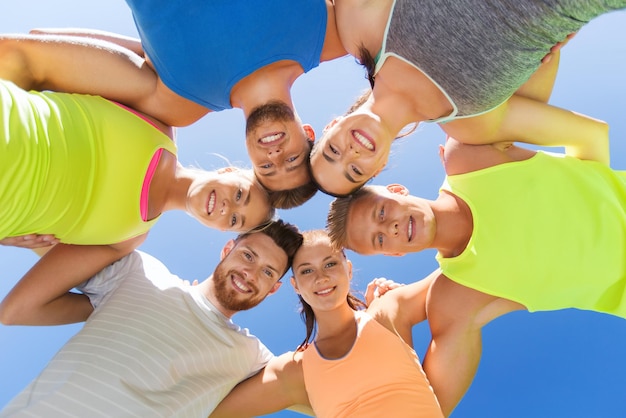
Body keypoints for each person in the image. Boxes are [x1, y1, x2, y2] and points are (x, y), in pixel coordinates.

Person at [325, 98, 625, 414]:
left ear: (398, 190)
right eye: (380, 239)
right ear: (395, 253)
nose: (393, 227)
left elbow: (590, 134)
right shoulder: (454, 300)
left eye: (381, 212)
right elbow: (426, 410)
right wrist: (389, 314)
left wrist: (597, 189)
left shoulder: (470, 156)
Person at [0, 0, 349, 205]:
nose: (275, 157)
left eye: (267, 169)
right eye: (292, 159)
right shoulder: (332, 34)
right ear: (307, 132)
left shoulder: (180, 105)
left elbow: (33, 57)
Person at [0, 71, 275, 324]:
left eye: (236, 220)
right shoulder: (156, 117)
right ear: (230, 171)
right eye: (240, 194)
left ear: (221, 230)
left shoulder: (124, 240)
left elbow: (17, 311)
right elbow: (32, 59)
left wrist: (137, 303)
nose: (229, 207)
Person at [310, 0, 626, 196]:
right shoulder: (473, 126)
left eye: (333, 151)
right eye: (355, 170)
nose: (350, 153)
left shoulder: (359, 26)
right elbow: (591, 135)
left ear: (332, 125)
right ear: (378, 167)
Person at [0, 220, 303, 417]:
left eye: (267, 271)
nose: (251, 273)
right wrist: (104, 301)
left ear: (274, 288)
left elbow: (326, 392)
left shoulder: (250, 356)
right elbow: (22, 299)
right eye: (248, 255)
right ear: (227, 249)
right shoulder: (140, 272)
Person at [209, 230, 444, 418]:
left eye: (330, 264)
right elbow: (206, 409)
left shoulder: (387, 312)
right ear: (296, 286)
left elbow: (462, 274)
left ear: (348, 269)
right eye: (307, 270)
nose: (320, 277)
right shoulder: (293, 371)